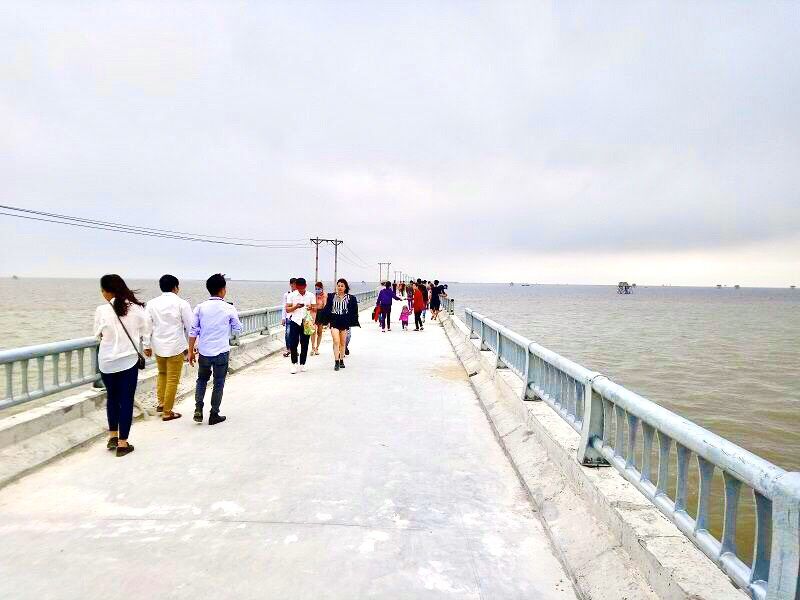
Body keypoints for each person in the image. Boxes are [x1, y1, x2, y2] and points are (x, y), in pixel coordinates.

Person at [94, 274, 150, 457]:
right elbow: (146, 328)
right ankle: (122, 444)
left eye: (103, 290)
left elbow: (96, 334)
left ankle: (112, 436)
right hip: (128, 361)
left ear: (107, 291)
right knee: (126, 400)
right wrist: (146, 344)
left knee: (112, 397)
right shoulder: (136, 309)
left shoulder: (102, 310)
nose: (102, 293)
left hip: (106, 362)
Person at [188, 273, 242, 425]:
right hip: (221, 352)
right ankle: (214, 414)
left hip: (204, 351)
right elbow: (238, 328)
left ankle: (198, 409)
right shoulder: (229, 308)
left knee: (202, 380)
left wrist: (191, 351)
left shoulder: (200, 307)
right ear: (223, 290)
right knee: (219, 382)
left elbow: (193, 331)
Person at [143, 274, 193, 421]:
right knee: (172, 379)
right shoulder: (182, 303)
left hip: (158, 346)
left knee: (162, 374)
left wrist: (146, 345)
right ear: (175, 287)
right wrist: (193, 347)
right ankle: (167, 411)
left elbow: (147, 325)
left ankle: (161, 403)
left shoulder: (151, 304)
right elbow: (190, 327)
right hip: (175, 346)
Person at [317, 278, 360, 370]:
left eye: (342, 286)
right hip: (334, 320)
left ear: (345, 287)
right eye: (338, 286)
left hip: (344, 320)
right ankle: (336, 361)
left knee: (343, 342)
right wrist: (324, 321)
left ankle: (341, 360)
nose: (340, 287)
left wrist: (351, 321)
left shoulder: (350, 298)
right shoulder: (331, 296)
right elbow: (327, 308)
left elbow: (354, 311)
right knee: (336, 341)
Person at [285, 277, 316, 373]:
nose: (301, 290)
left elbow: (315, 308)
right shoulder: (291, 295)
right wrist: (296, 306)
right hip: (294, 321)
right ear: (296, 286)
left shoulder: (311, 295)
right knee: (293, 343)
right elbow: (287, 309)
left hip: (306, 322)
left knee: (305, 343)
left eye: (302, 288)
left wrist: (311, 308)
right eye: (299, 288)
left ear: (305, 286)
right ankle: (294, 363)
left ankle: (303, 364)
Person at [281, 278, 297, 357]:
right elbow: (284, 307)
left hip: (297, 317)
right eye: (293, 284)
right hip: (288, 317)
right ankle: (288, 349)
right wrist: (283, 318)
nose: (295, 286)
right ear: (290, 284)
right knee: (287, 333)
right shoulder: (286, 294)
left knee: (296, 334)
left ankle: (294, 349)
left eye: (296, 284)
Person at [311, 281, 326, 356]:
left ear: (322, 288)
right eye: (316, 289)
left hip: (321, 313)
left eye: (318, 289)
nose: (317, 290)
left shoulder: (324, 295)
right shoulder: (314, 296)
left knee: (319, 332)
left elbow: (325, 305)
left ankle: (317, 348)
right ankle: (312, 347)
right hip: (314, 313)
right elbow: (311, 305)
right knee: (313, 331)